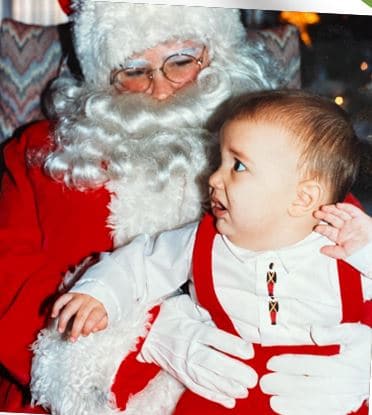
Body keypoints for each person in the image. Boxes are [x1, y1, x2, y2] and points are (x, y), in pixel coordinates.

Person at [0, 0, 294, 412]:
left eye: (180, 61)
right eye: (134, 71)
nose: (160, 88)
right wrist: (144, 339)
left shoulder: (283, 138)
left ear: (219, 54)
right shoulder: (41, 153)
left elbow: (340, 244)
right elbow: (7, 285)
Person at [42, 90, 372, 414]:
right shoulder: (202, 241)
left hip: (322, 396)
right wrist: (100, 294)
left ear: (302, 198)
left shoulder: (347, 249)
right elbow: (139, 264)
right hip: (222, 394)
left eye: (238, 166)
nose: (213, 178)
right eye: (220, 161)